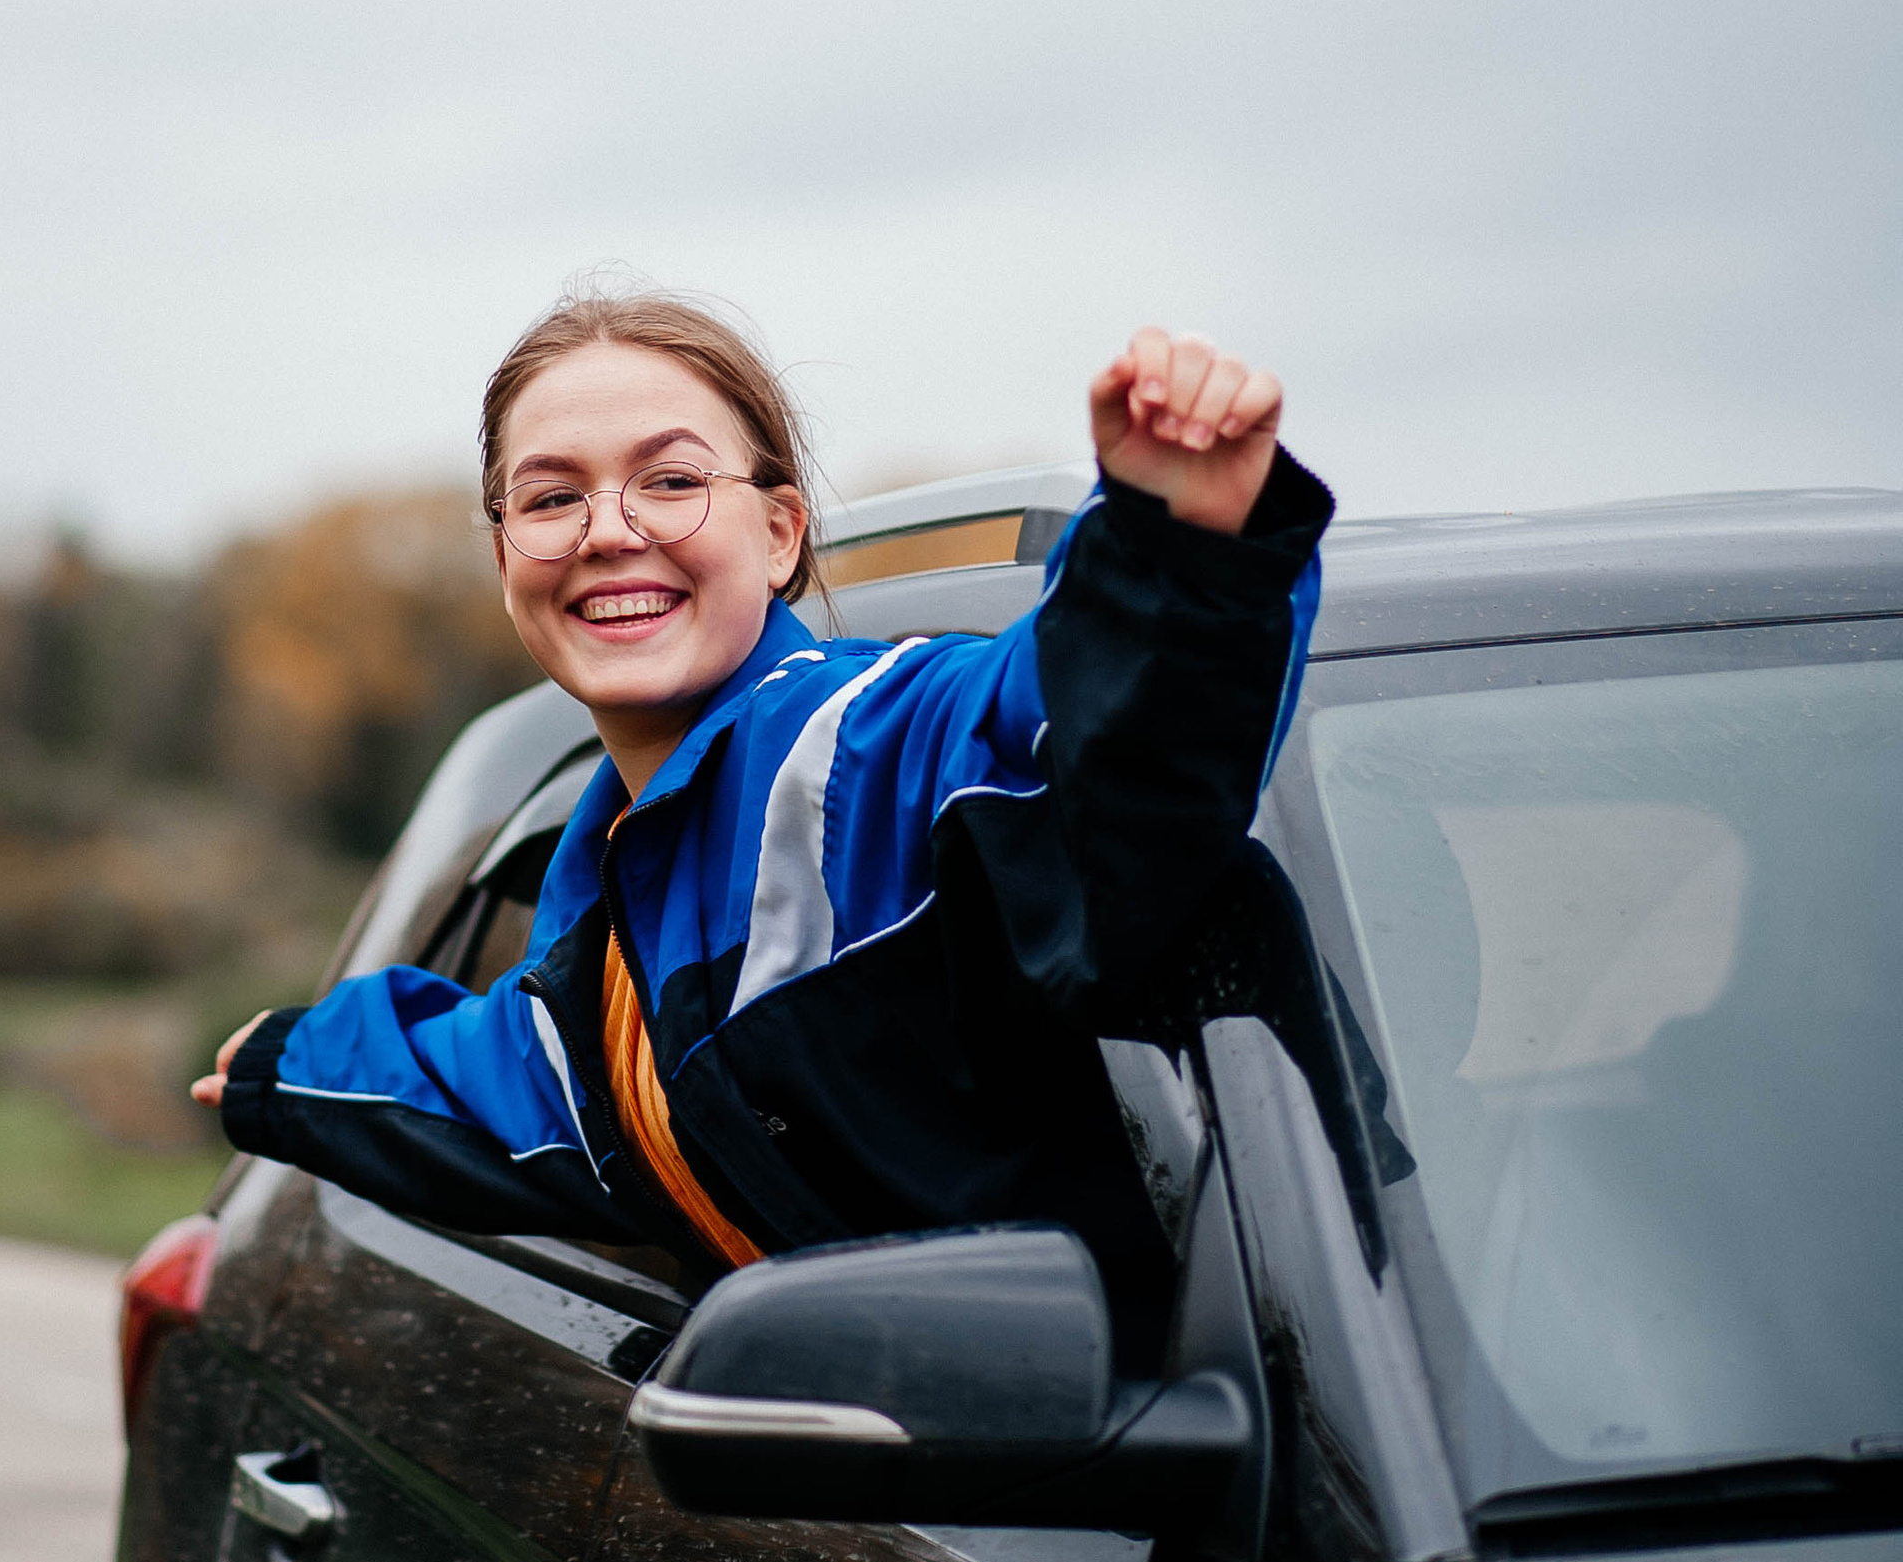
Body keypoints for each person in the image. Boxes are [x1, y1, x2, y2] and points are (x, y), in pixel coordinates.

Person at [196, 288, 1331, 1351]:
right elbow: (491, 1083)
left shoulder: (864, 748)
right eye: (550, 497)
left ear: (782, 532)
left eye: (672, 481)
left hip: (1218, 1509)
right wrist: (276, 1068)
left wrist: (1180, 548)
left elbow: (1070, 736)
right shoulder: (609, 920)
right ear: (505, 560)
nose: (607, 529)